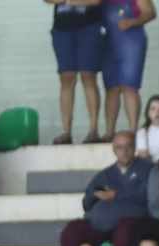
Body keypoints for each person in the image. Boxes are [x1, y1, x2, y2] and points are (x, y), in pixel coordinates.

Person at [59, 132, 152, 246]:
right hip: (100, 222)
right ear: (114, 150)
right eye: (120, 147)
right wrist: (95, 195)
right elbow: (86, 202)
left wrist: (116, 195)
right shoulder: (105, 174)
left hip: (132, 222)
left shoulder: (147, 169)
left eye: (128, 147)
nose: (124, 151)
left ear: (134, 148)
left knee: (125, 231)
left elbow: (149, 198)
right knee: (72, 230)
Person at [48, 0, 104, 146]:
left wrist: (65, 1)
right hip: (62, 28)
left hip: (90, 26)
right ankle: (66, 132)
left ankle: (93, 130)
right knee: (66, 78)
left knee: (88, 76)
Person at [102, 0, 156, 137]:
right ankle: (109, 132)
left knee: (130, 87)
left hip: (132, 41)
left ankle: (133, 130)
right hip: (108, 42)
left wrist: (132, 22)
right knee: (111, 88)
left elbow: (150, 12)